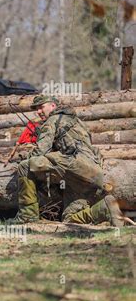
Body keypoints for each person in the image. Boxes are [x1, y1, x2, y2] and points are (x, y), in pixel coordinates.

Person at [12, 94, 130, 226]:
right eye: (36, 109)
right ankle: (104, 208)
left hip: (73, 165)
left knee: (24, 166)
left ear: (53, 106)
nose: (38, 111)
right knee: (70, 218)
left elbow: (40, 151)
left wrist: (24, 157)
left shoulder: (52, 121)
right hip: (91, 173)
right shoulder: (78, 122)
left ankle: (27, 216)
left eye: (41, 107)